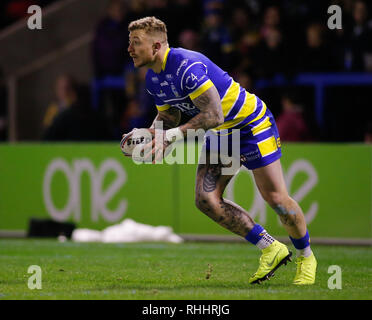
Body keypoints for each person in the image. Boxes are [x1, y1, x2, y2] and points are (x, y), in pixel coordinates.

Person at [125, 16, 317, 285]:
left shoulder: (186, 66)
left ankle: (306, 257)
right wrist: (148, 137)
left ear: (156, 46)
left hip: (250, 123)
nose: (130, 49)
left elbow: (214, 114)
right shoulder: (153, 79)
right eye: (130, 43)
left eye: (136, 43)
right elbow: (168, 119)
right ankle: (271, 248)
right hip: (222, 133)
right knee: (206, 200)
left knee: (276, 199)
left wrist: (169, 137)